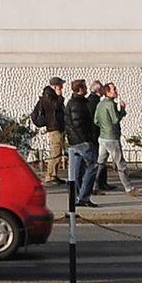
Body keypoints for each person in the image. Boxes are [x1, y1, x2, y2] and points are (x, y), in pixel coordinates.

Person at [62, 78, 99, 209]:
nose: (86, 89)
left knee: (77, 170)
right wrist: (87, 138)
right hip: (82, 141)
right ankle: (84, 196)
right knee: (93, 165)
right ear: (80, 89)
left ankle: (77, 195)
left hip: (74, 141)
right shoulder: (78, 104)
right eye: (84, 87)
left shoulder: (74, 102)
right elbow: (78, 123)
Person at [95, 81, 135, 196]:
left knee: (100, 162)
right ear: (107, 92)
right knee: (120, 163)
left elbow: (96, 120)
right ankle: (129, 188)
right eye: (114, 89)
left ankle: (93, 185)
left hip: (102, 137)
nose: (116, 91)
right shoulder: (111, 104)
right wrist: (122, 110)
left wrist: (103, 127)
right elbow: (115, 120)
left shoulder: (100, 104)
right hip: (112, 137)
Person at [30, 78, 66, 184]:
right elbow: (56, 106)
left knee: (57, 151)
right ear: (55, 86)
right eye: (60, 86)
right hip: (54, 127)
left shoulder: (50, 96)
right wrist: (59, 96)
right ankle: (50, 175)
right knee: (56, 151)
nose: (62, 88)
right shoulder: (49, 96)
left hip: (56, 127)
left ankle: (54, 174)